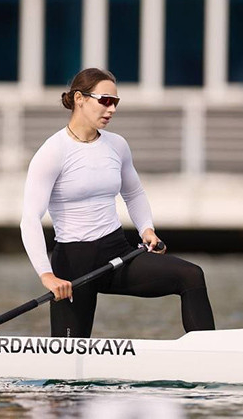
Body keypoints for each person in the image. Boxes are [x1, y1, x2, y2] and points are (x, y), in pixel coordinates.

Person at [20, 67, 215, 338]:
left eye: (116, 102)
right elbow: (29, 219)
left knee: (191, 276)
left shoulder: (117, 145)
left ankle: (207, 353)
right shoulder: (52, 152)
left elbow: (133, 193)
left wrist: (146, 229)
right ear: (79, 99)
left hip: (117, 254)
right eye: (105, 101)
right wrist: (46, 275)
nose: (111, 109)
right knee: (67, 360)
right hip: (74, 268)